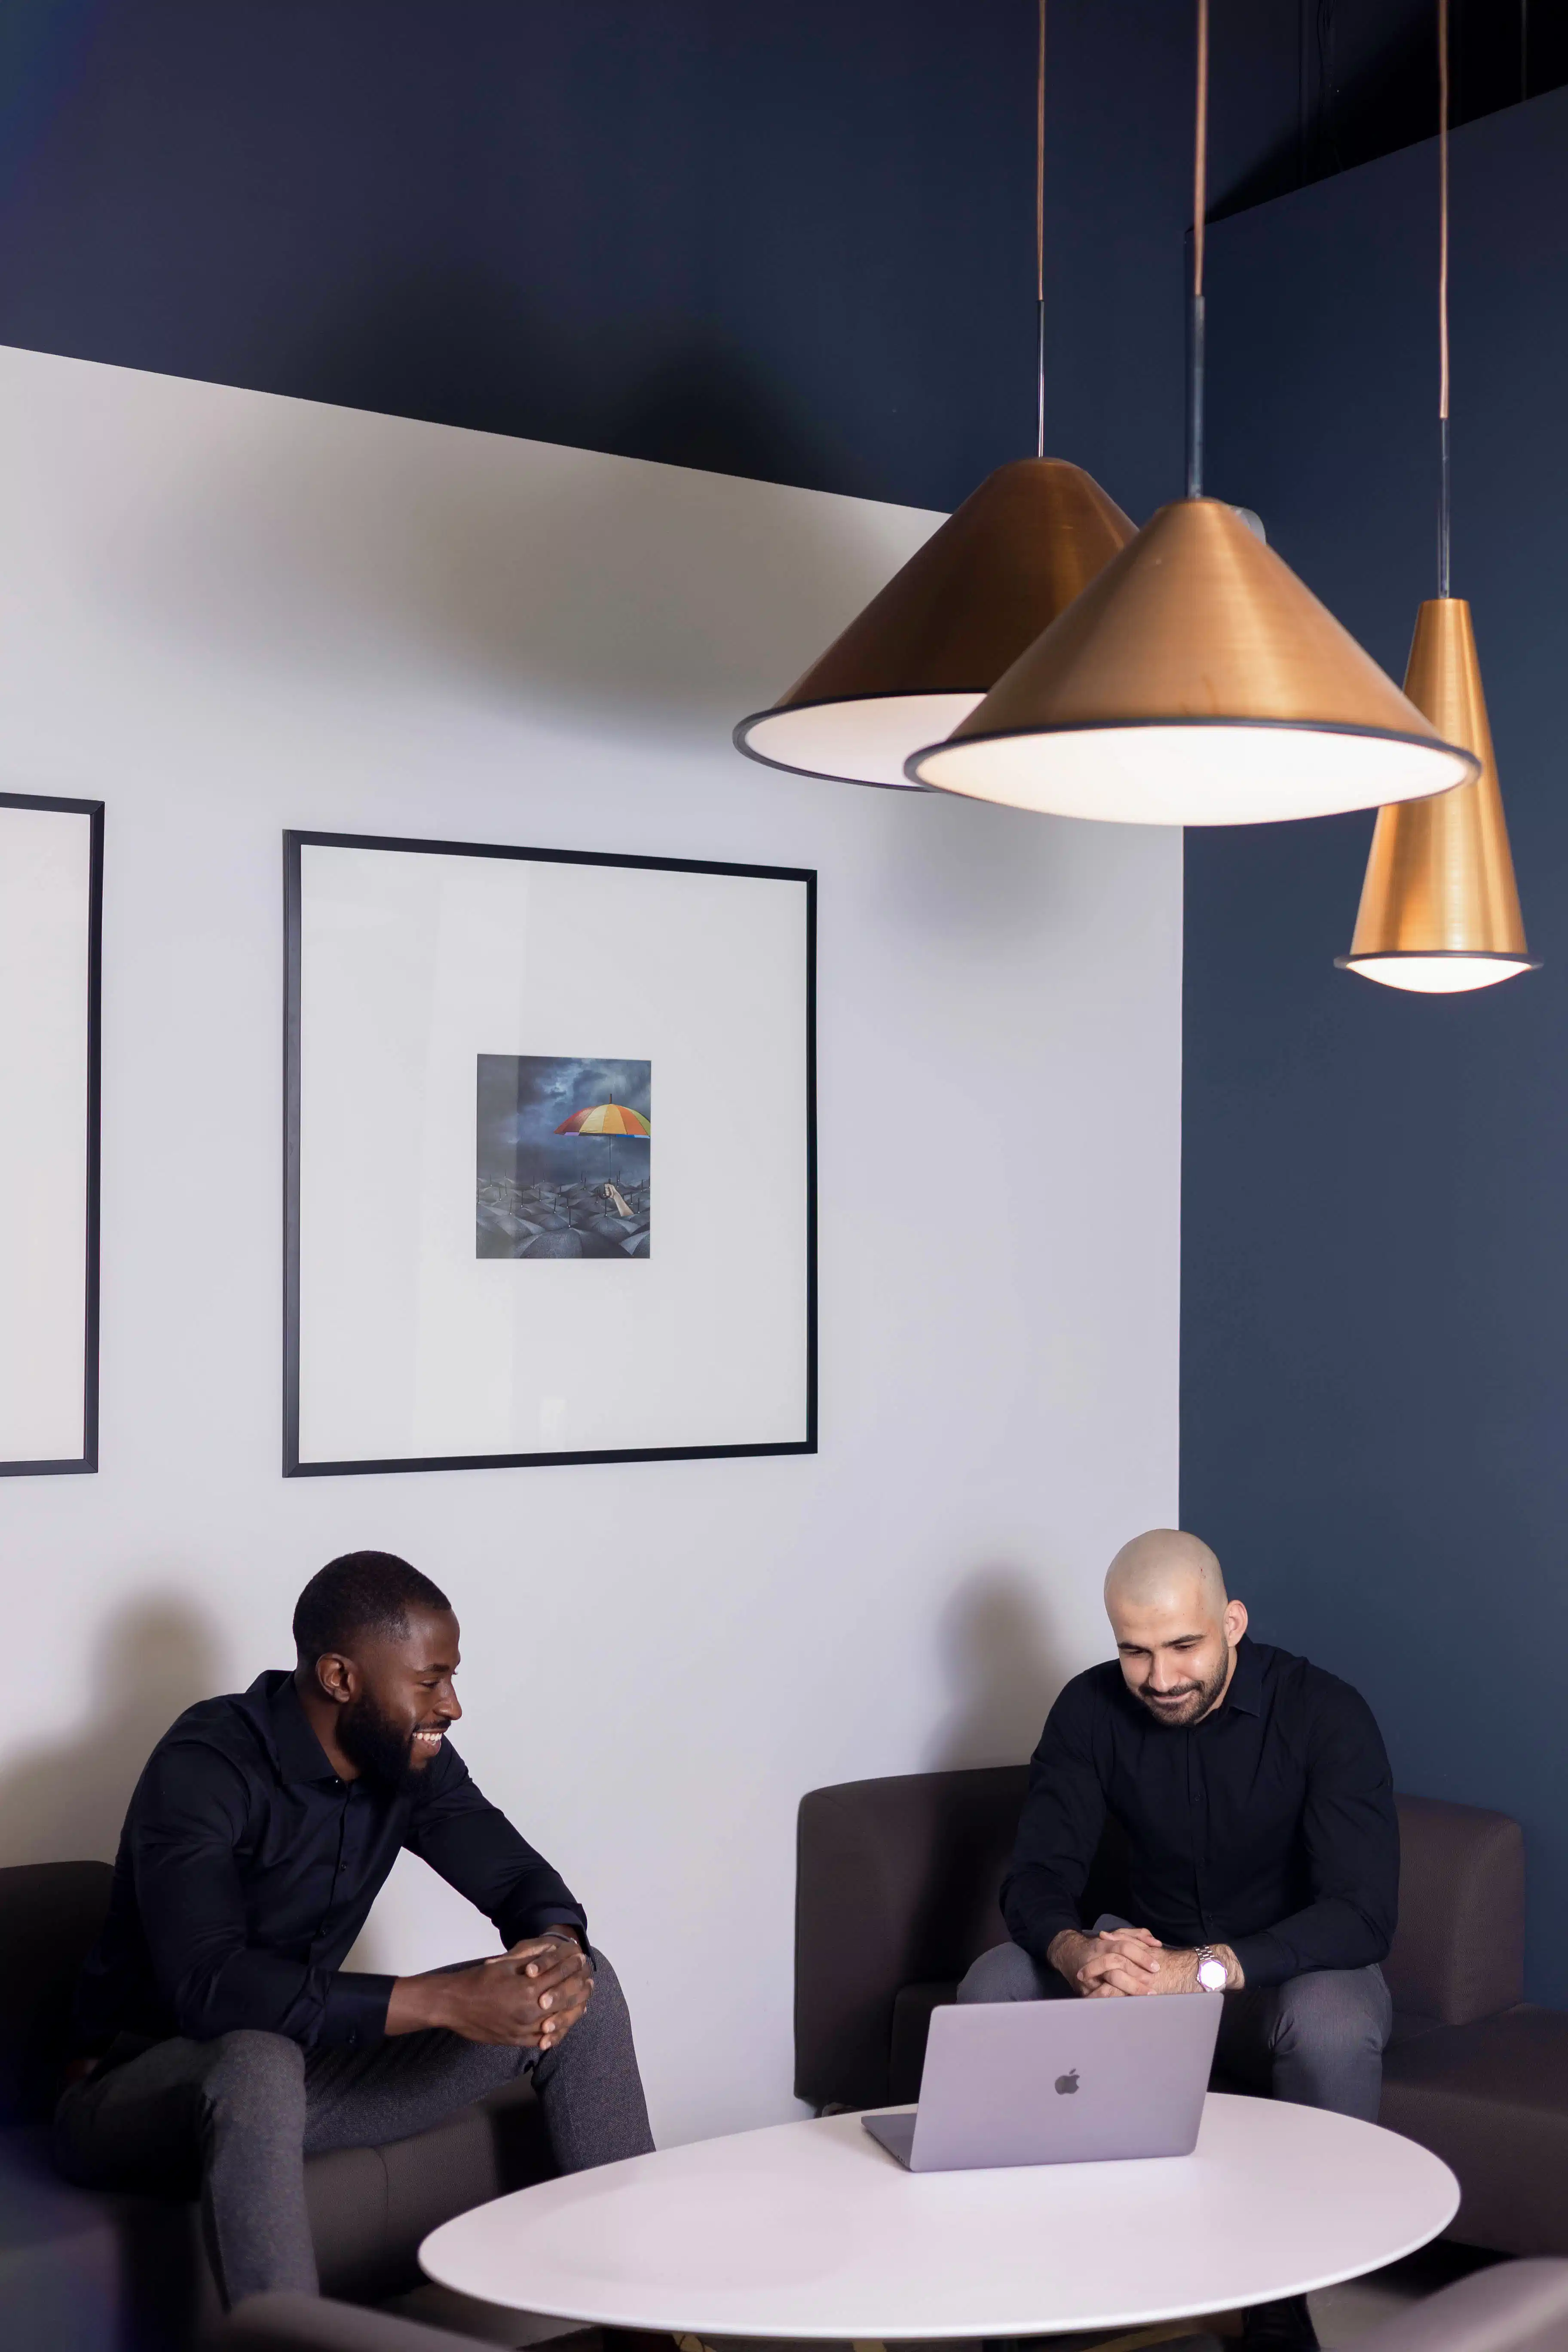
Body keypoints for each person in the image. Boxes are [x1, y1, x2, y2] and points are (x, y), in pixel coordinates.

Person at [54, 1552, 654, 2309]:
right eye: (430, 1681)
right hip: (140, 2100)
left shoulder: (410, 1760)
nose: (454, 1705)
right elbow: (210, 1990)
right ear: (342, 1679)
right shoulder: (205, 1765)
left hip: (305, 2080)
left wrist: (556, 1951)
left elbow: (518, 1881)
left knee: (584, 1989)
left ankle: (645, 2318)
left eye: (452, 1676)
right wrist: (441, 2000)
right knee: (257, 2062)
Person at [959, 1528, 1398, 2352]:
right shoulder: (1088, 1710)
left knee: (1334, 2020)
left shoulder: (1326, 1714)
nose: (1160, 1679)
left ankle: (1281, 2296)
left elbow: (1362, 1914)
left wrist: (1196, 1970)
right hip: (1136, 1965)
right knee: (994, 1985)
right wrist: (1078, 1953)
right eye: (1135, 1651)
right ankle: (1024, 2296)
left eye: (1183, 1646)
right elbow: (1036, 1881)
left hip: (1284, 1976)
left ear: (1233, 1621)